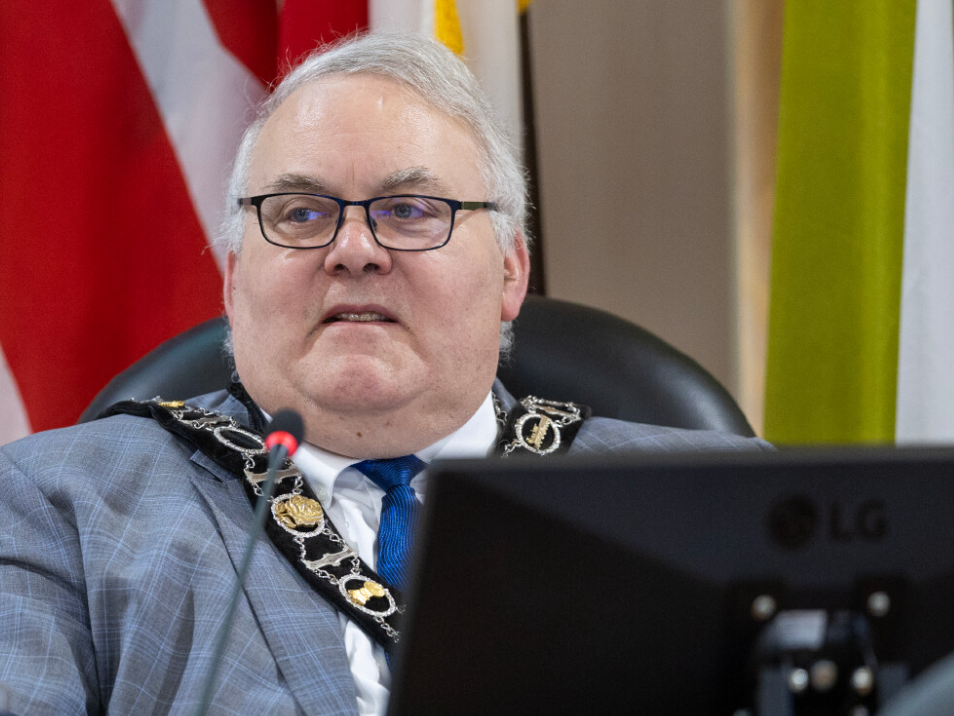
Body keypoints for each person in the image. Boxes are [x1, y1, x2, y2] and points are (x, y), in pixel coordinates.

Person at [0, 33, 770, 716]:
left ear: (510, 271)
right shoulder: (54, 509)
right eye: (300, 213)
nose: (355, 250)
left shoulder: (724, 501)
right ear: (233, 282)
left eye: (410, 209)